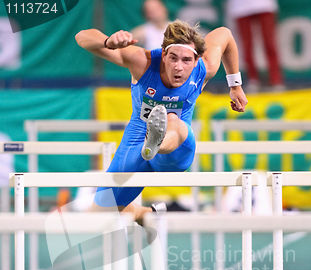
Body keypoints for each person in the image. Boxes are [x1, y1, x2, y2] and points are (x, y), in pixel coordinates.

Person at [75, 20, 248, 223]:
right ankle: (145, 213)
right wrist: (107, 41)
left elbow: (225, 34)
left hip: (177, 147)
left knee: (172, 119)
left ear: (196, 59)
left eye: (186, 60)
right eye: (173, 58)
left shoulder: (205, 67)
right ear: (163, 54)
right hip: (136, 141)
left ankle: (158, 141)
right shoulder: (143, 61)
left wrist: (235, 85)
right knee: (100, 213)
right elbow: (81, 37)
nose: (178, 67)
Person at [226, 0, 284, 92]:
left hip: (264, 5)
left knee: (269, 42)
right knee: (246, 45)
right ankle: (253, 79)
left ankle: (276, 79)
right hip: (240, 7)